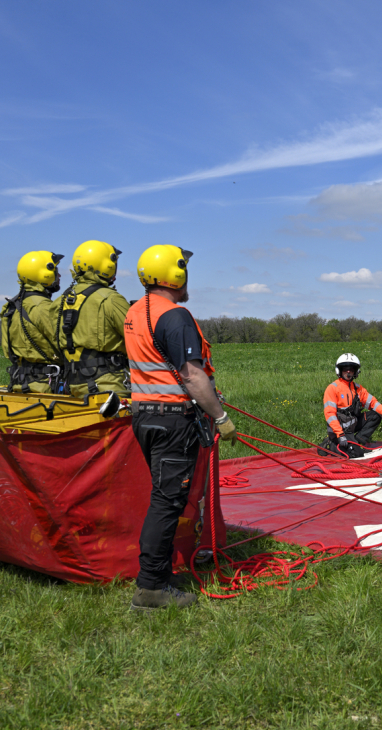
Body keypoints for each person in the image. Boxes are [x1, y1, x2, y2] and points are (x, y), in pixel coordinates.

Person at [123, 244, 236, 612]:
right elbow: (192, 375)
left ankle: (159, 578)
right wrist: (220, 417)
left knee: (163, 497)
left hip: (145, 417)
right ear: (175, 274)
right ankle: (151, 587)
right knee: (167, 500)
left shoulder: (135, 312)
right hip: (173, 420)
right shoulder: (174, 316)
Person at [56, 240, 131, 399]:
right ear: (107, 265)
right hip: (109, 388)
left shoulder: (60, 301)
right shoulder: (112, 300)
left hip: (73, 387)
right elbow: (139, 340)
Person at [0, 251, 64, 393]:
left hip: (20, 383)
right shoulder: (42, 307)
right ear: (43, 274)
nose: (59, 276)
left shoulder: (12, 306)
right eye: (56, 271)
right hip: (46, 386)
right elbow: (63, 343)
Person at [320, 353, 382, 457]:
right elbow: (330, 414)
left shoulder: (358, 389)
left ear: (356, 371)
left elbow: (373, 402)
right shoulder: (332, 388)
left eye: (351, 369)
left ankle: (358, 442)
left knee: (375, 415)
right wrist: (340, 435)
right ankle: (330, 444)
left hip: (352, 426)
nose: (348, 372)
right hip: (339, 431)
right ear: (339, 370)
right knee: (356, 454)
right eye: (345, 369)